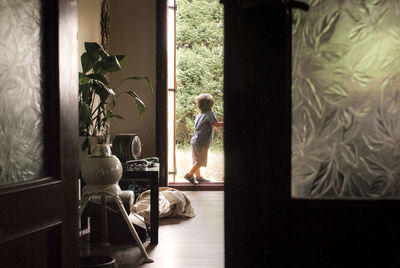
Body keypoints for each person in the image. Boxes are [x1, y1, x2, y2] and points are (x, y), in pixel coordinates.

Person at [184, 93, 224, 184]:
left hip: (195, 140)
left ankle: (198, 177)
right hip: (202, 141)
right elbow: (216, 124)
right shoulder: (210, 113)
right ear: (211, 104)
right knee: (201, 161)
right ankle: (189, 175)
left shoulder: (199, 115)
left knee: (196, 160)